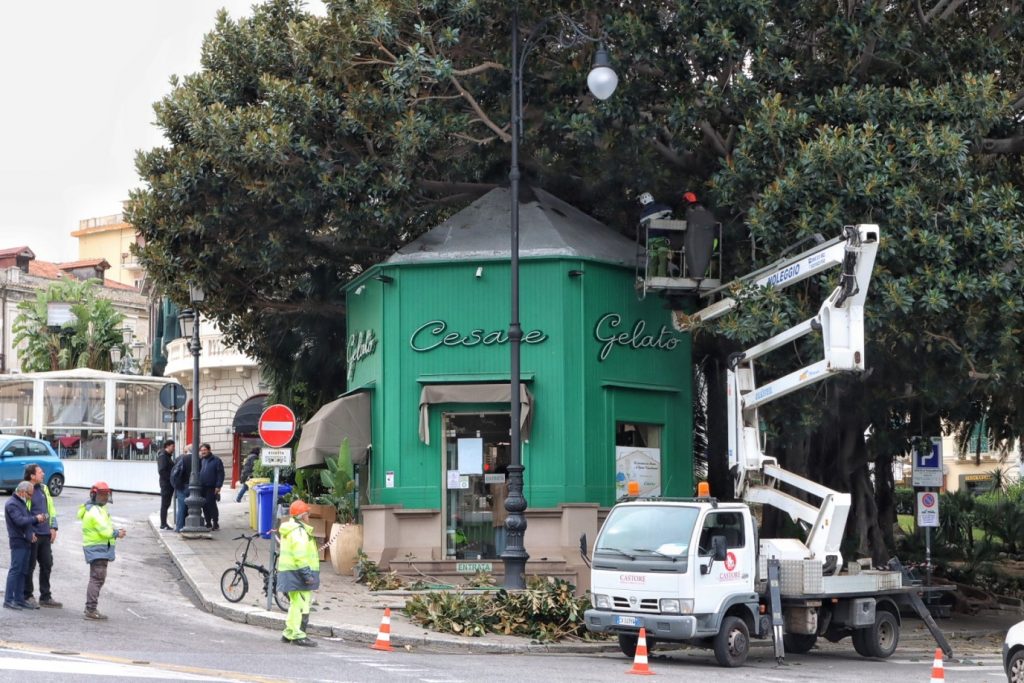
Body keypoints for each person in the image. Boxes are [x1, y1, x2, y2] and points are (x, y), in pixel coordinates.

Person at [77, 481, 126, 620]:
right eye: (102, 495)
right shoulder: (95, 511)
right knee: (97, 579)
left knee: (97, 578)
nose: (105, 498)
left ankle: (91, 608)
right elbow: (104, 531)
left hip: (96, 547)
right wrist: (117, 533)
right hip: (97, 548)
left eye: (106, 495)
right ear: (94, 495)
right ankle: (91, 609)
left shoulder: (94, 509)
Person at [277, 499, 320, 647]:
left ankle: (289, 632)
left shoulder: (291, 530)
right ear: (302, 516)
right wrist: (307, 575)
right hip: (297, 574)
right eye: (307, 513)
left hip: (290, 572)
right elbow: (300, 556)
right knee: (301, 605)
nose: (309, 516)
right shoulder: (299, 532)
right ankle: (298, 634)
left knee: (295, 604)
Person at [23, 463, 61, 608]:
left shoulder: (44, 488)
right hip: (33, 534)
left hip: (45, 534)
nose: (43, 474)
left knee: (47, 564)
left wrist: (53, 527)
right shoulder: (25, 490)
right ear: (32, 476)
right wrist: (29, 531)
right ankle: (27, 595)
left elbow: (51, 509)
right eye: (40, 472)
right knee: (30, 566)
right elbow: (23, 513)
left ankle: (45, 596)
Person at [5, 481, 42, 610]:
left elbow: (26, 522)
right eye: (29, 494)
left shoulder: (21, 502)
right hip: (18, 541)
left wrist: (31, 533)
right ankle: (8, 600)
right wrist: (36, 518)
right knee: (15, 570)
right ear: (21, 492)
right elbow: (20, 521)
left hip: (25, 540)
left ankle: (19, 599)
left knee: (22, 571)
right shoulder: (12, 504)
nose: (30, 497)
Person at [198, 443, 224, 530]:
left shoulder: (216, 460)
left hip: (211, 487)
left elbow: (221, 474)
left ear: (209, 450)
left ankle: (215, 522)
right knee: (204, 505)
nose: (203, 452)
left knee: (211, 505)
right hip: (202, 487)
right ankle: (208, 522)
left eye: (204, 450)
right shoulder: (201, 460)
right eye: (201, 450)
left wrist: (218, 486)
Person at [171, 448, 192, 532]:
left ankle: (179, 527)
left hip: (182, 486)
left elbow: (174, 474)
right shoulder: (199, 459)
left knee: (181, 508)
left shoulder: (181, 458)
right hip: (193, 487)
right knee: (192, 508)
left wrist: (176, 485)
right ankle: (187, 526)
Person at [156, 439, 176, 530]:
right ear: (167, 446)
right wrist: (170, 479)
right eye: (173, 446)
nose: (174, 448)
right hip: (166, 484)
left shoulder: (167, 456)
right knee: (165, 504)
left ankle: (164, 523)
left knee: (166, 504)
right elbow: (162, 471)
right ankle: (163, 524)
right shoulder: (163, 456)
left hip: (167, 484)